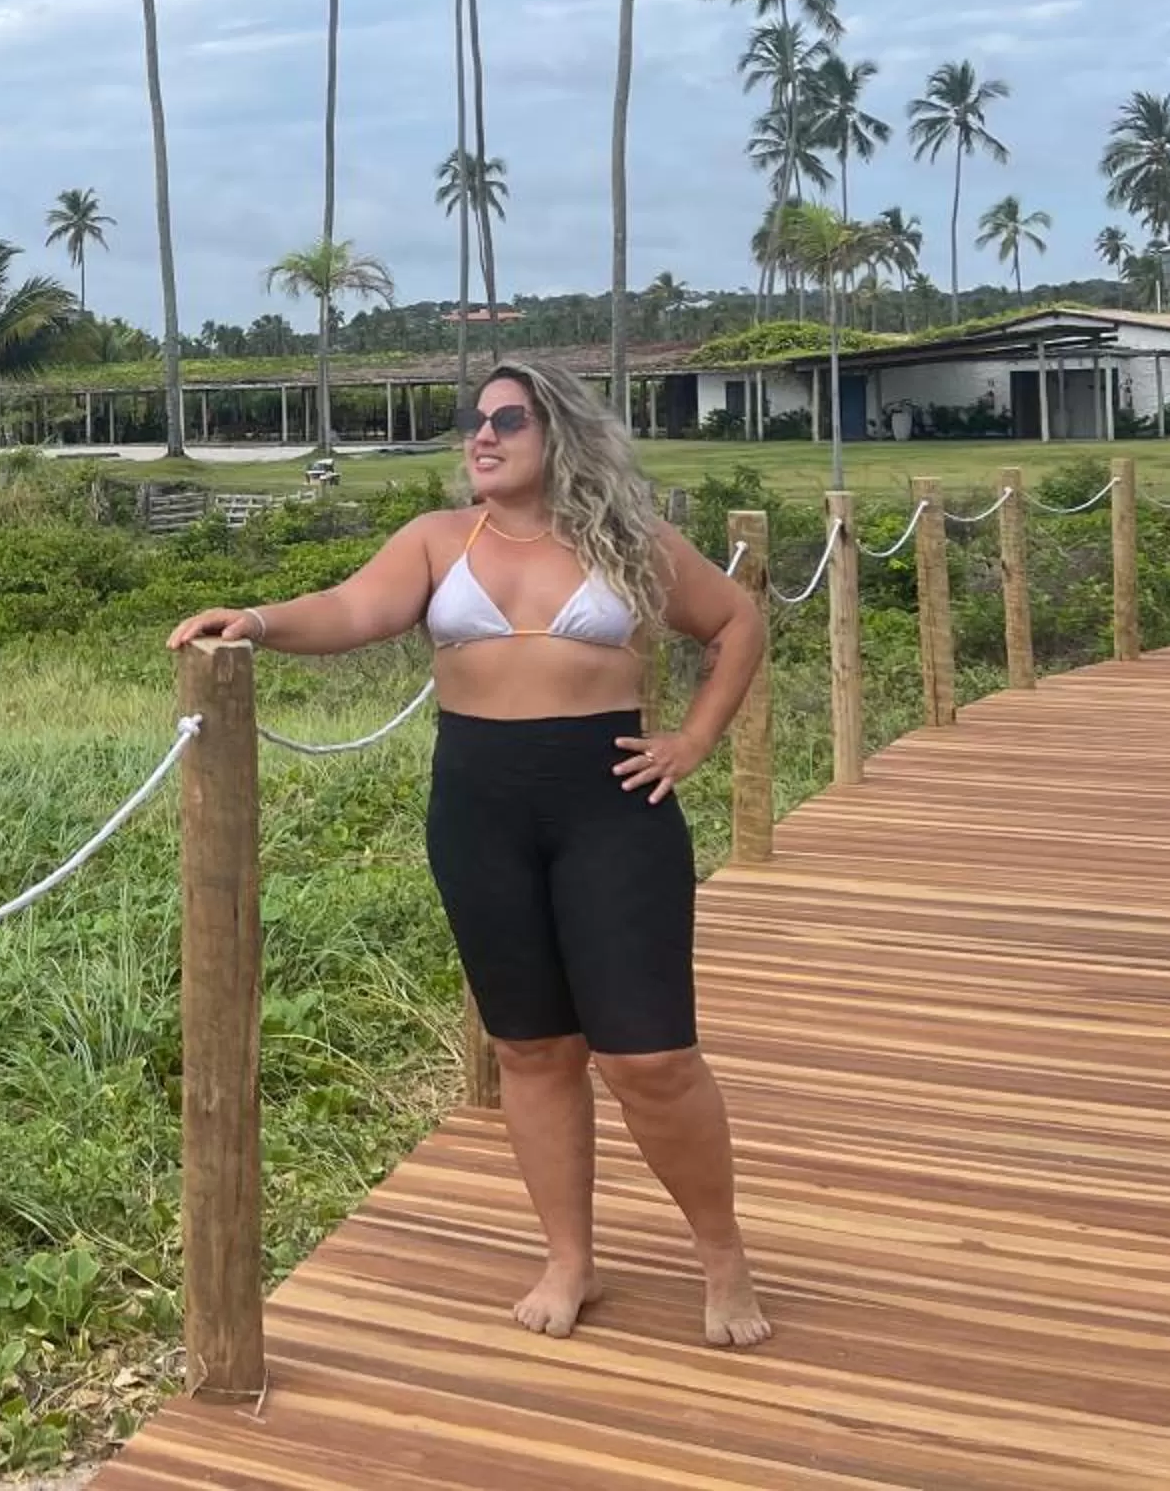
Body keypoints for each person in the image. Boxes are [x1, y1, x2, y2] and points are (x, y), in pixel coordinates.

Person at [167, 358, 772, 1347]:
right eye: (473, 421)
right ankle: (569, 1260)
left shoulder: (628, 542)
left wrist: (694, 739)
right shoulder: (437, 541)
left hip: (612, 810)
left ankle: (721, 1253)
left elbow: (736, 621)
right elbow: (353, 610)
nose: (481, 436)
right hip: (479, 815)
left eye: (506, 420)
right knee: (531, 1050)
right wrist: (261, 624)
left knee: (650, 1057)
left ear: (558, 433)